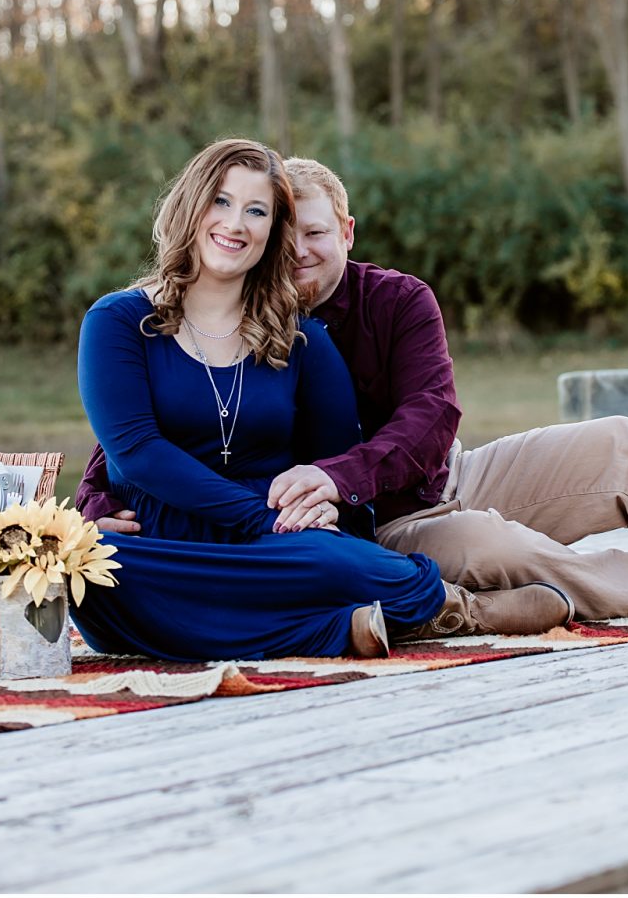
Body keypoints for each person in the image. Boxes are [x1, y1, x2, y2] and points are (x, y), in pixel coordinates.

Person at [79, 156, 628, 622]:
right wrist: (95, 494)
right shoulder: (232, 317)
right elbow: (159, 420)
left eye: (309, 231)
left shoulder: (397, 301)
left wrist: (342, 474)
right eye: (279, 236)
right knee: (486, 542)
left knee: (618, 445)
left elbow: (432, 417)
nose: (295, 251)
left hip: (430, 479)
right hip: (365, 528)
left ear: (343, 229)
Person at [70, 139, 572, 663]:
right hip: (164, 534)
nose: (235, 223)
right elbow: (136, 452)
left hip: (280, 536)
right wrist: (255, 520)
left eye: (256, 210)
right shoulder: (119, 321)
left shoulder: (302, 340)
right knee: (97, 567)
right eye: (221, 200)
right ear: (189, 206)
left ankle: (429, 610)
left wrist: (321, 530)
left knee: (329, 561)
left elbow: (338, 471)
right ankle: (363, 621)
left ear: (273, 233)